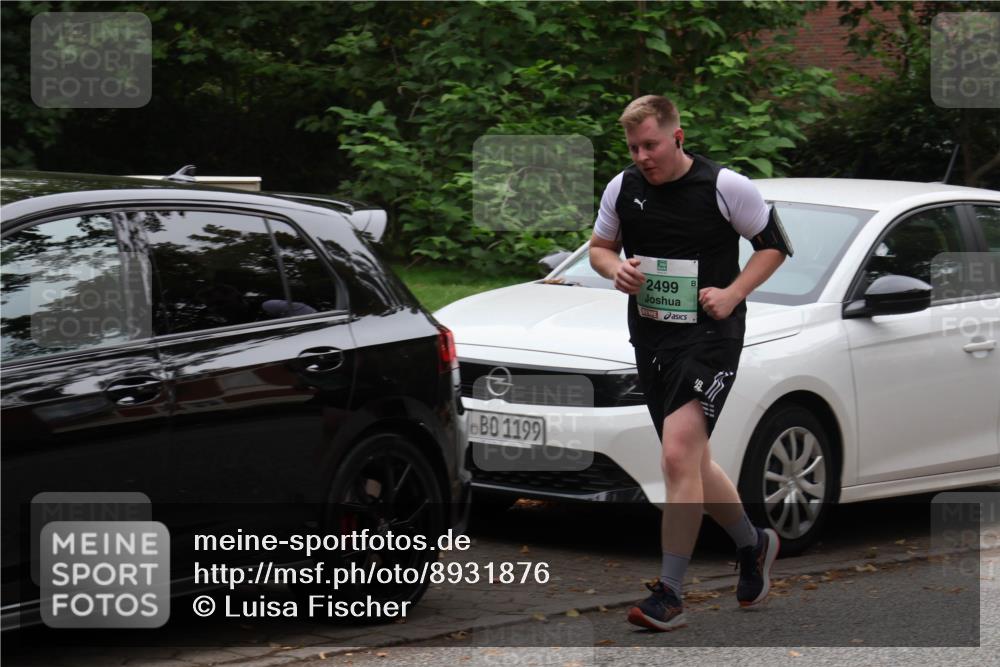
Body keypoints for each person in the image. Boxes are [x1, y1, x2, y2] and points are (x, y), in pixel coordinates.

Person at [589, 95, 793, 632]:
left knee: (677, 456)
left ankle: (671, 593)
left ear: (677, 137)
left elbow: (773, 245)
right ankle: (752, 547)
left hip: (711, 337)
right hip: (652, 337)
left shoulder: (726, 187)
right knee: (693, 462)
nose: (642, 157)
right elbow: (599, 247)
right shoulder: (622, 187)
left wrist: (732, 293)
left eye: (650, 145)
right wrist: (615, 270)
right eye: (633, 147)